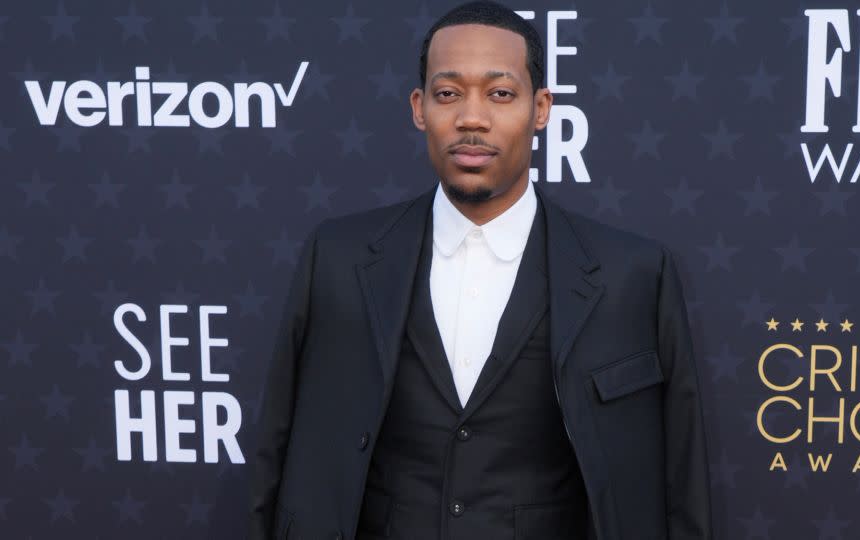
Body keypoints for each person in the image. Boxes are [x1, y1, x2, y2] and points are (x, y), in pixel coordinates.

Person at [247, 2, 712, 539]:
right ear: (419, 108)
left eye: (500, 93)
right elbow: (276, 452)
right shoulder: (336, 257)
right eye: (448, 94)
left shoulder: (634, 275)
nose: (471, 117)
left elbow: (680, 484)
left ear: (541, 109)